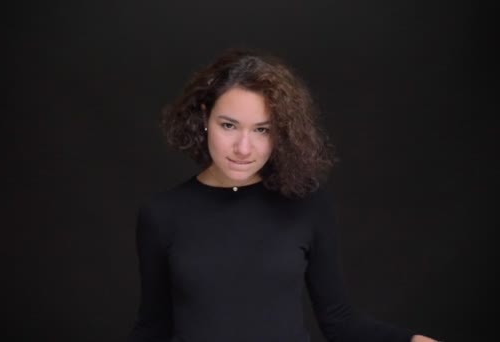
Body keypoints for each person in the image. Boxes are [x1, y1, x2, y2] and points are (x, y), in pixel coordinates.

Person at [128, 48, 441, 342]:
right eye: (229, 125)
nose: (243, 148)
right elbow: (153, 328)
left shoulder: (307, 205)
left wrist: (410, 340)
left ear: (282, 132)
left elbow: (339, 320)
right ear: (205, 116)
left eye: (262, 130)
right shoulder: (162, 215)